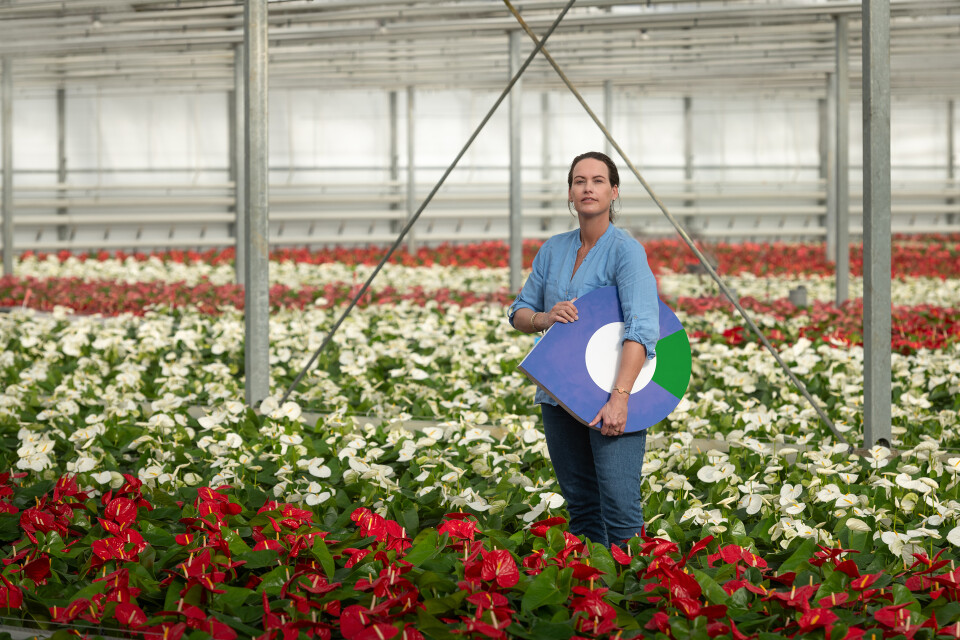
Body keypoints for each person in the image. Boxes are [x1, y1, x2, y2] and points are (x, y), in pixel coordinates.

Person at [508, 151, 659, 548]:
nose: (587, 187)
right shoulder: (553, 250)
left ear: (613, 191)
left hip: (610, 397)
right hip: (558, 395)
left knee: (621, 509)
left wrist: (620, 398)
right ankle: (592, 594)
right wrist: (543, 318)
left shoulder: (626, 252)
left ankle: (635, 597)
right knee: (582, 507)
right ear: (570, 194)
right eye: (579, 181)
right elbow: (518, 312)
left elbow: (642, 329)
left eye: (597, 180)